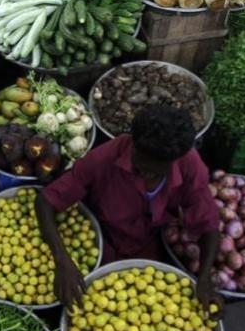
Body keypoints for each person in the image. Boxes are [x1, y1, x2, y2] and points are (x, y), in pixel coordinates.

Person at [36, 103, 223, 317]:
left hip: (150, 247)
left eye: (155, 171)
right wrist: (63, 261)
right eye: (140, 166)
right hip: (105, 244)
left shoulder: (189, 165)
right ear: (133, 144)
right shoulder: (104, 158)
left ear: (174, 161)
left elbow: (208, 223)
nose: (146, 175)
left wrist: (205, 277)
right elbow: (46, 201)